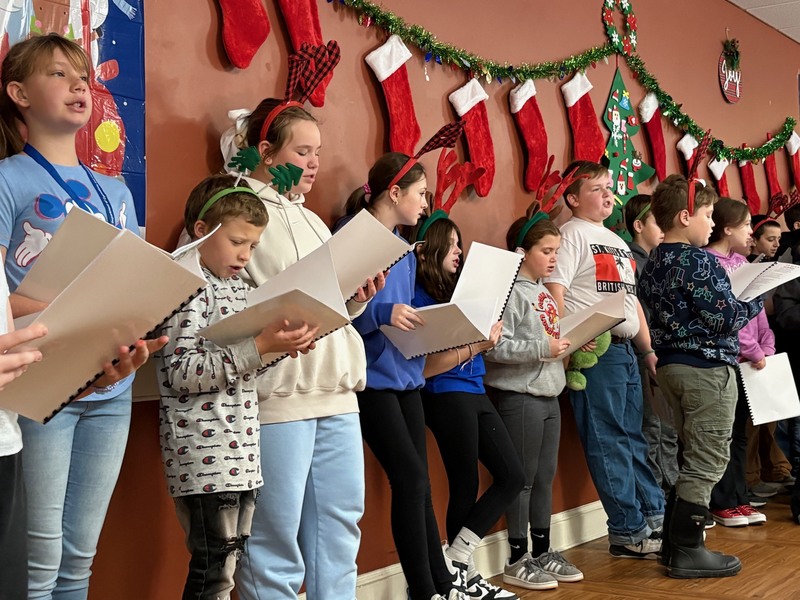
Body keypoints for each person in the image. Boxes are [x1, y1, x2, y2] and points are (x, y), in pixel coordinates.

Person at [0, 33, 166, 598]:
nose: (78, 86)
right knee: (39, 558)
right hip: (41, 384)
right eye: (58, 74)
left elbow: (133, 280)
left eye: (83, 77)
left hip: (112, 388)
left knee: (79, 556)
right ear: (19, 93)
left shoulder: (115, 190)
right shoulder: (8, 179)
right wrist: (71, 308)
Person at [231, 98, 384, 600]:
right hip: (279, 395)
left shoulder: (316, 221)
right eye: (303, 152)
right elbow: (232, 304)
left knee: (340, 530)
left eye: (318, 152)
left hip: (337, 393)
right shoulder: (235, 210)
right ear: (266, 152)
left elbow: (329, 306)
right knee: (273, 539)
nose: (314, 163)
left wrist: (357, 297)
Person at [157, 174, 318, 600]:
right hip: (203, 455)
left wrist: (278, 346)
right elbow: (181, 371)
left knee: (228, 565)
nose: (246, 255)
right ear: (201, 230)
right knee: (214, 571)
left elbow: (243, 366)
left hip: (240, 451)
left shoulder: (239, 289)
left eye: (253, 246)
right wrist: (260, 346)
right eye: (237, 242)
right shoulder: (186, 286)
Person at [343, 152, 465, 600]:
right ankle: (423, 589)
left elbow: (405, 313)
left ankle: (441, 584)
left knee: (421, 485)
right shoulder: (352, 237)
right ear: (394, 193)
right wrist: (382, 313)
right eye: (421, 194)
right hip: (373, 384)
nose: (426, 204)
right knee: (411, 481)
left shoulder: (405, 247)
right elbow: (338, 311)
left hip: (408, 380)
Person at [639, 175, 762, 578]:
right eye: (708, 215)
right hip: (705, 369)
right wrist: (755, 299)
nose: (712, 223)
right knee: (707, 458)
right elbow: (724, 318)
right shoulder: (698, 260)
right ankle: (689, 549)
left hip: (671, 366)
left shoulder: (654, 261)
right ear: (684, 216)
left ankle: (673, 547)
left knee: (689, 453)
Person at [543, 160, 665, 560]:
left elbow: (632, 303)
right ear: (573, 199)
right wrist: (567, 340)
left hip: (626, 350)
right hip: (595, 350)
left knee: (633, 435)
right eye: (596, 189)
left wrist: (647, 350)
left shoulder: (616, 240)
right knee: (608, 437)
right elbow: (556, 291)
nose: (608, 195)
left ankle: (655, 515)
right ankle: (627, 530)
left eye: (609, 187)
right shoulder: (571, 235)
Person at [413, 215, 524, 599]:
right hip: (444, 393)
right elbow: (426, 367)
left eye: (460, 244)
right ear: (428, 250)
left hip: (475, 389)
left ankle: (458, 559)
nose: (459, 251)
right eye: (452, 244)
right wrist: (478, 344)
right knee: (465, 484)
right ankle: (461, 576)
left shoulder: (457, 294)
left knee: (512, 475)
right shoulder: (419, 297)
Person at [484, 212, 584, 591]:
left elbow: (551, 341)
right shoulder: (510, 293)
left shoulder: (543, 292)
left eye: (557, 251)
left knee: (544, 477)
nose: (554, 258)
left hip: (550, 394)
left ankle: (542, 551)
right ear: (522, 252)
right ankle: (517, 558)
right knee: (522, 480)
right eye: (546, 251)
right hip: (520, 396)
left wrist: (574, 340)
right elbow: (495, 348)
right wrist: (544, 348)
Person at [703, 198, 771, 527]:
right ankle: (722, 501)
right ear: (727, 229)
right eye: (745, 225)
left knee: (741, 434)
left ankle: (740, 497)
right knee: (723, 434)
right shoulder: (707, 262)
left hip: (749, 363)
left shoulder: (742, 263)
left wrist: (766, 344)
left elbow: (756, 311)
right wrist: (754, 350)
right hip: (727, 360)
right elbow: (728, 319)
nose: (750, 232)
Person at [623, 194, 678, 494]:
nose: (664, 229)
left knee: (668, 428)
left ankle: (671, 492)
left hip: (663, 352)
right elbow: (641, 311)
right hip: (644, 353)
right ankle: (657, 497)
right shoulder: (632, 262)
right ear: (639, 225)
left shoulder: (660, 261)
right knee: (652, 428)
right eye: (657, 222)